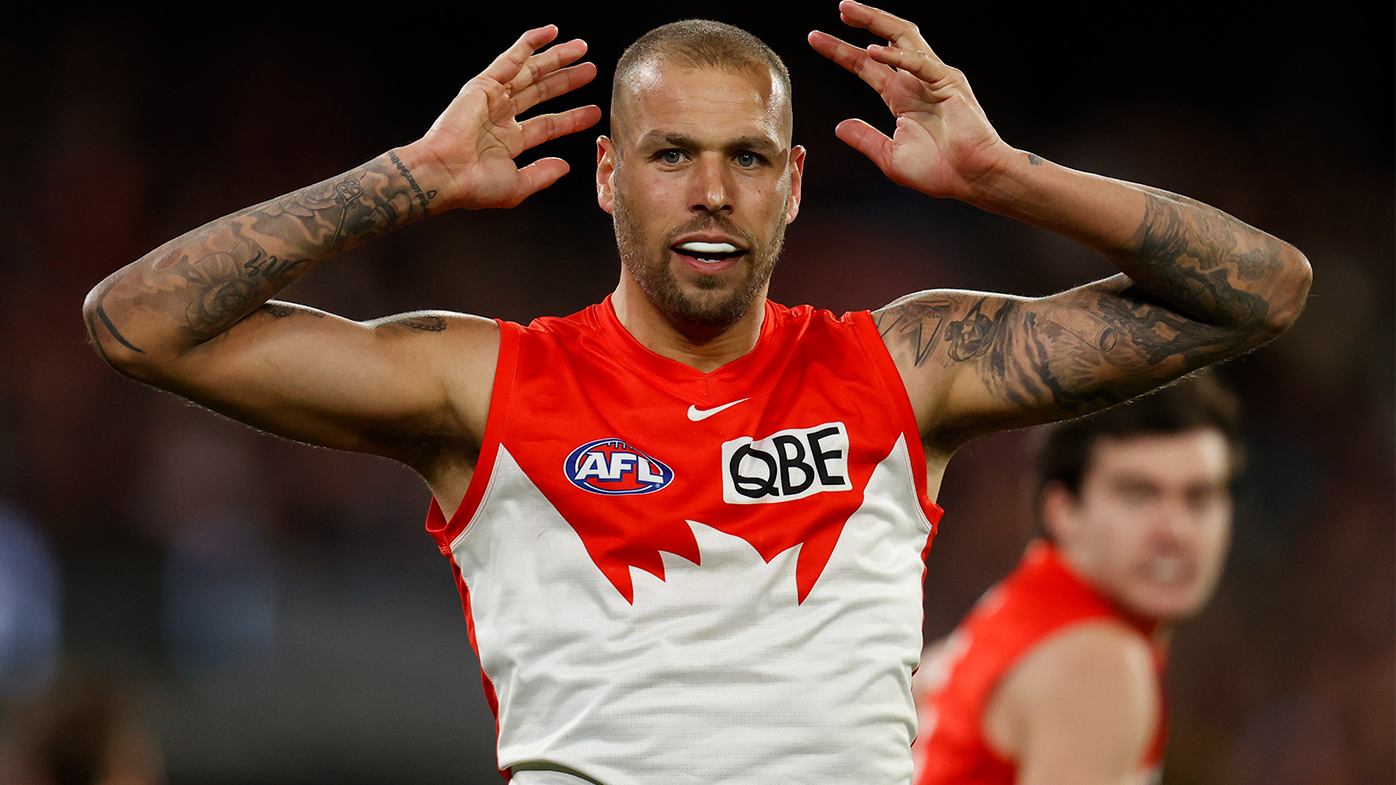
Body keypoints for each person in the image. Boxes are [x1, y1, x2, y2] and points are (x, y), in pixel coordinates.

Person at [81, 2, 1310, 782]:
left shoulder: (902, 367)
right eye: (673, 155)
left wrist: (1004, 173)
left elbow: (1260, 292)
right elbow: (136, 323)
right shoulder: (486, 382)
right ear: (609, 175)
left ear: (791, 184)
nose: (711, 190)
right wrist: (409, 176)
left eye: (747, 158)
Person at [911, 374, 1242, 785]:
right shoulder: (1100, 665)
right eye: (1138, 494)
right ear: (1063, 511)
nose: (1175, 530)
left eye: (1199, 497)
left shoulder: (1009, 620)